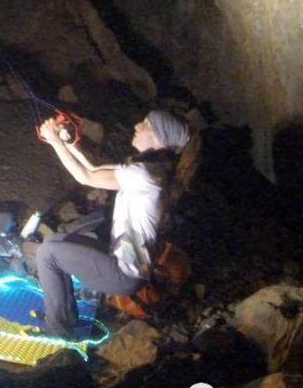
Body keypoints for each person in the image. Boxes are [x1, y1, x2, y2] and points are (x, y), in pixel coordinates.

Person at [35, 110, 195, 339]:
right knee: (54, 241)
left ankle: (57, 332)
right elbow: (94, 169)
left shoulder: (146, 175)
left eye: (146, 124)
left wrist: (54, 141)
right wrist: (68, 143)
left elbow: (85, 177)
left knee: (48, 254)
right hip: (122, 262)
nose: (137, 126)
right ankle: (65, 318)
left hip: (123, 274)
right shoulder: (152, 168)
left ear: (159, 138)